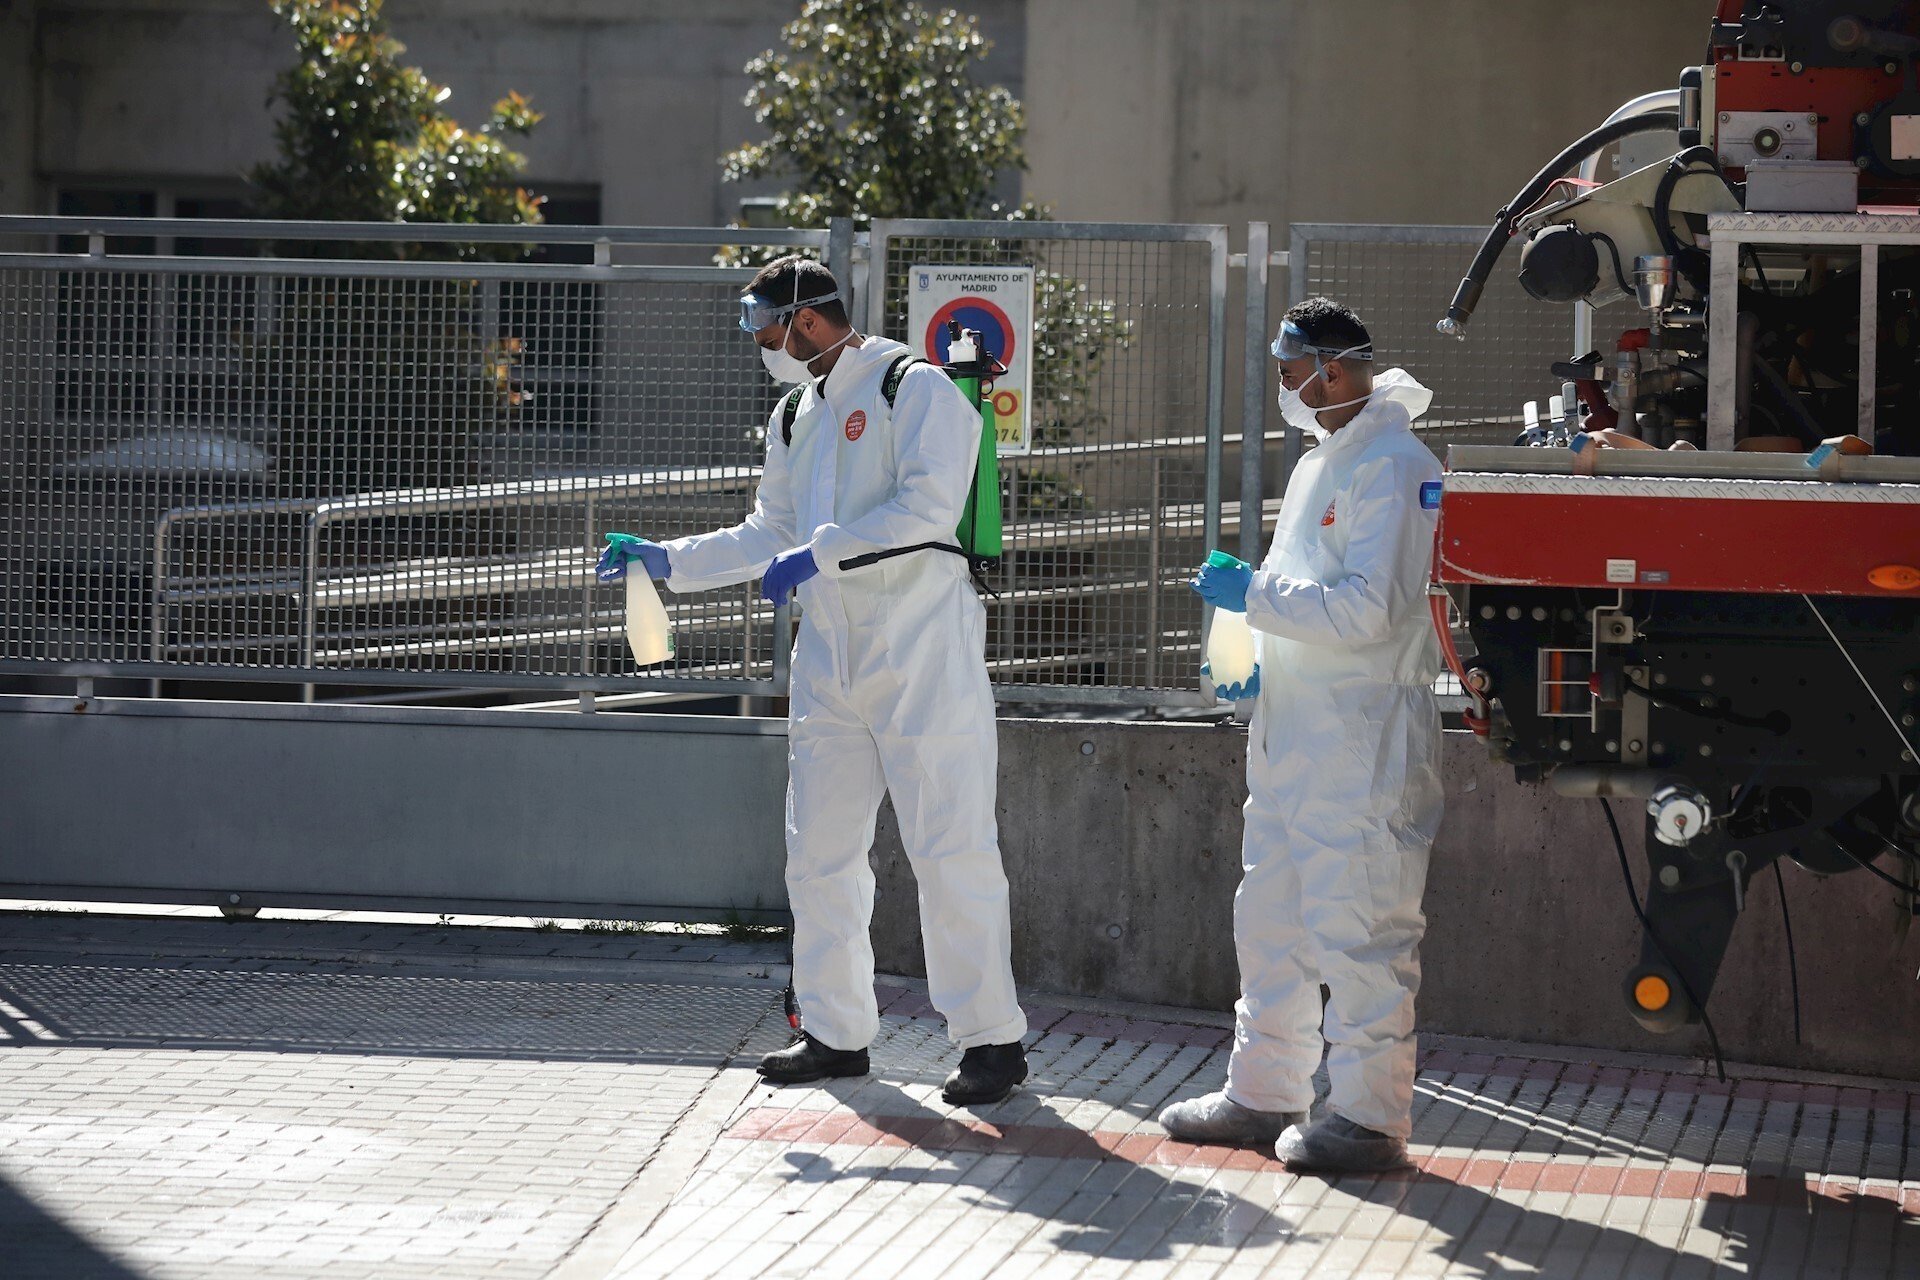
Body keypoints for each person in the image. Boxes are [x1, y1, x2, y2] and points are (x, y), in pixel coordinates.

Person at [596, 256, 1029, 1106]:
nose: (757, 340)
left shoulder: (916, 387)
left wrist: (819, 552)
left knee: (950, 845)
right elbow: (770, 528)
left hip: (921, 649)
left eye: (761, 323)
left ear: (805, 319)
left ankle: (992, 1041)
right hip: (831, 656)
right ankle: (835, 1032)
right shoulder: (797, 412)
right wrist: (670, 560)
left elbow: (929, 509)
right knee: (818, 853)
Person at [1163, 297, 1445, 1172]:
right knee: (1272, 923)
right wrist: (1248, 649)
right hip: (1296, 731)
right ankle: (1264, 1091)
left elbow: (1370, 609)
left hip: (1361, 739)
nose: (1285, 389)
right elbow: (1307, 592)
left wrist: (1251, 595)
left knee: (1362, 928)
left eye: (1292, 373)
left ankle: (1368, 1118)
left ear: (1335, 366)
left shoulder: (1396, 466)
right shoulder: (1327, 461)